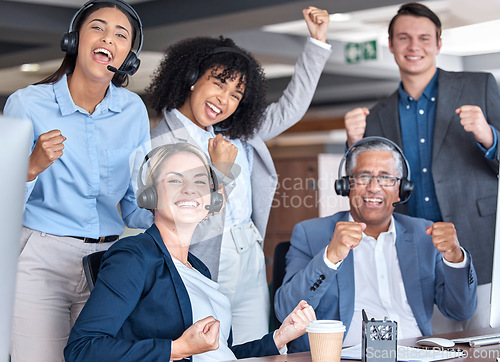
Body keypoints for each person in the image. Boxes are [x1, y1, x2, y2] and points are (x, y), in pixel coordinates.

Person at [147, 6, 331, 344]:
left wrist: (316, 43)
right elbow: (183, 214)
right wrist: (222, 172)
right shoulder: (164, 140)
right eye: (218, 84)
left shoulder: (238, 132)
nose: (225, 100)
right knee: (207, 348)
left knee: (257, 344)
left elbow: (291, 106)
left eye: (236, 94)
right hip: (202, 254)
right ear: (191, 80)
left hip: (249, 248)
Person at [64, 143, 316, 361]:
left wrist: (280, 337)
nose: (189, 189)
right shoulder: (134, 256)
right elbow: (81, 350)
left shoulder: (199, 268)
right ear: (150, 196)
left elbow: (218, 354)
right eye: (175, 180)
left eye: (199, 181)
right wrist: (177, 348)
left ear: (212, 200)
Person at [3, 1, 152, 360]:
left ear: (128, 56)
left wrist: (174, 199)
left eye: (121, 35)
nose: (108, 39)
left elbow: (137, 209)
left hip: (108, 263)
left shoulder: (133, 111)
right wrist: (30, 167)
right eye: (97, 28)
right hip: (41, 258)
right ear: (74, 40)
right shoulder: (26, 104)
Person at [343, 2, 500, 331]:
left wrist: (489, 137)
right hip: (417, 258)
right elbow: (366, 189)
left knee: (488, 345)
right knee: (433, 348)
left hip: (480, 247)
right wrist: (351, 145)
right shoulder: (378, 115)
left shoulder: (479, 85)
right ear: (391, 45)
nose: (414, 47)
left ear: (439, 44)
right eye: (404, 38)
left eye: (424, 38)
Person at [274, 137, 477, 353]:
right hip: (345, 355)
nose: (373, 187)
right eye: (363, 177)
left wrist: (455, 258)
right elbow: (286, 311)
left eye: (386, 178)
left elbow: (461, 311)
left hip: (417, 353)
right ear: (347, 185)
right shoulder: (311, 233)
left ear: (402, 189)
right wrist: (329, 258)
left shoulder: (423, 233)